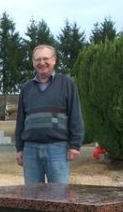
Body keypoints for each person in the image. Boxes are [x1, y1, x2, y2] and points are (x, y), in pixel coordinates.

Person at [15, 44, 85, 184]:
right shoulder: (26, 88)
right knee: (32, 197)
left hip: (57, 148)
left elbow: (75, 115)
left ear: (54, 60)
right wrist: (19, 148)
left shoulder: (66, 84)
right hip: (30, 150)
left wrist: (75, 145)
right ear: (33, 62)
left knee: (58, 197)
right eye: (38, 59)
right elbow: (21, 120)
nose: (42, 63)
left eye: (45, 58)